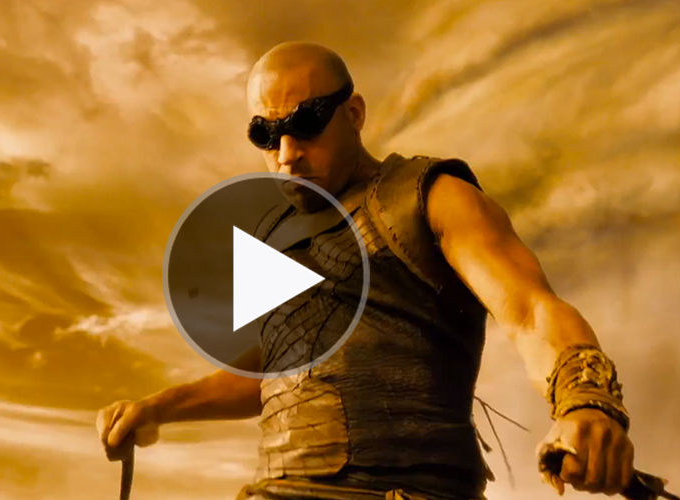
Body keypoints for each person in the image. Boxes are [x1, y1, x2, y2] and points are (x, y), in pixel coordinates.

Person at [97, 41, 636, 500]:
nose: (286, 154)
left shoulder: (430, 196)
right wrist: (157, 408)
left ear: (353, 113)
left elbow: (529, 311)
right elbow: (276, 368)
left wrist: (585, 401)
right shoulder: (277, 236)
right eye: (266, 134)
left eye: (306, 123)